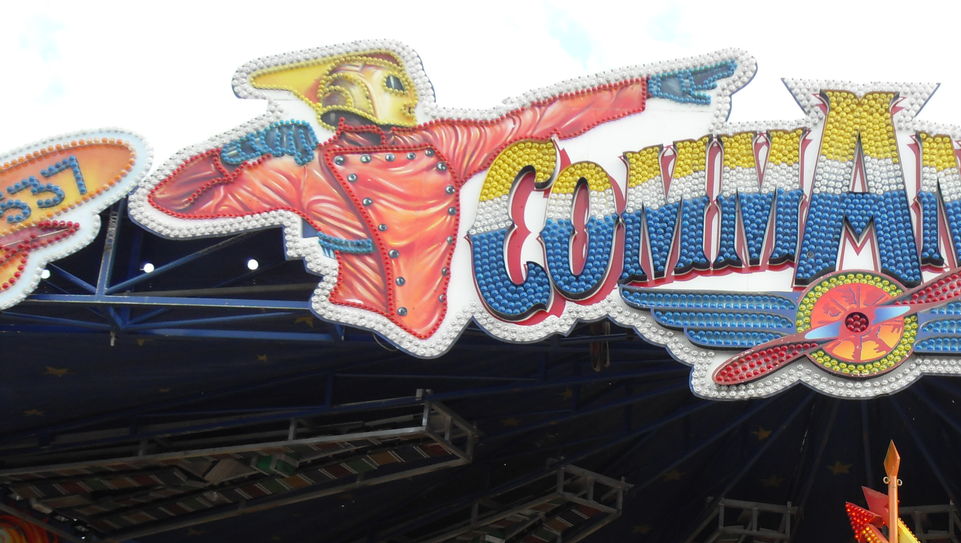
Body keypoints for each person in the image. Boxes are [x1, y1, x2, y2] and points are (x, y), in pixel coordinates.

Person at [139, 45, 736, 345]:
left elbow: (536, 121)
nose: (409, 98)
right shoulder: (305, 169)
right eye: (397, 87)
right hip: (360, 323)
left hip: (428, 322)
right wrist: (230, 155)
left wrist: (645, 89)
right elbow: (172, 203)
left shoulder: (442, 143)